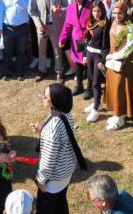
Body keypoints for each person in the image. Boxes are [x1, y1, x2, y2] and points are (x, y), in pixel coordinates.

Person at [30, 83, 87, 214]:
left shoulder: (52, 127)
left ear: (55, 101)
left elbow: (48, 159)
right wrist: (42, 131)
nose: (43, 98)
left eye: (45, 97)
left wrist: (41, 181)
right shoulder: (66, 114)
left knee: (45, 210)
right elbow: (61, 139)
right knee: (61, 205)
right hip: (65, 173)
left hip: (53, 182)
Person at [104, 1, 133, 131]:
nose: (117, 16)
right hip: (112, 62)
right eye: (115, 13)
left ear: (125, 12)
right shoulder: (113, 23)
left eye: (120, 13)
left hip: (124, 63)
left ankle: (120, 118)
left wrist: (114, 56)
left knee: (120, 88)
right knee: (113, 87)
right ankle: (117, 113)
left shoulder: (131, 27)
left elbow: (130, 47)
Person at [30, 0, 67, 83]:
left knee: (57, 50)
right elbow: (33, 11)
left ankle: (59, 72)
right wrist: (38, 24)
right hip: (41, 26)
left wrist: (60, 10)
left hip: (55, 25)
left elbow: (67, 6)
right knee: (41, 50)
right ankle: (42, 70)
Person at [59, 0, 92, 95]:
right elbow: (67, 25)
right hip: (76, 39)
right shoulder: (70, 7)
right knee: (78, 63)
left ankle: (89, 87)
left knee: (88, 63)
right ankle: (79, 85)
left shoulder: (91, 6)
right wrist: (62, 39)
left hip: (88, 38)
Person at [0, 0, 30, 82]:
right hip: (8, 27)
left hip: (22, 27)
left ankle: (19, 72)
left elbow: (25, 6)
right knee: (8, 51)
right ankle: (7, 72)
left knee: (21, 50)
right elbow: (0, 11)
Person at [83, 0, 110, 122]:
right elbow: (87, 40)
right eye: (94, 11)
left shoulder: (104, 24)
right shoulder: (90, 22)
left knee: (96, 82)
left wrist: (103, 60)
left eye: (98, 11)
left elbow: (105, 44)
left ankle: (95, 110)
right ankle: (97, 103)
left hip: (98, 55)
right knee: (91, 79)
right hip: (89, 53)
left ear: (102, 11)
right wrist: (84, 55)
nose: (96, 13)